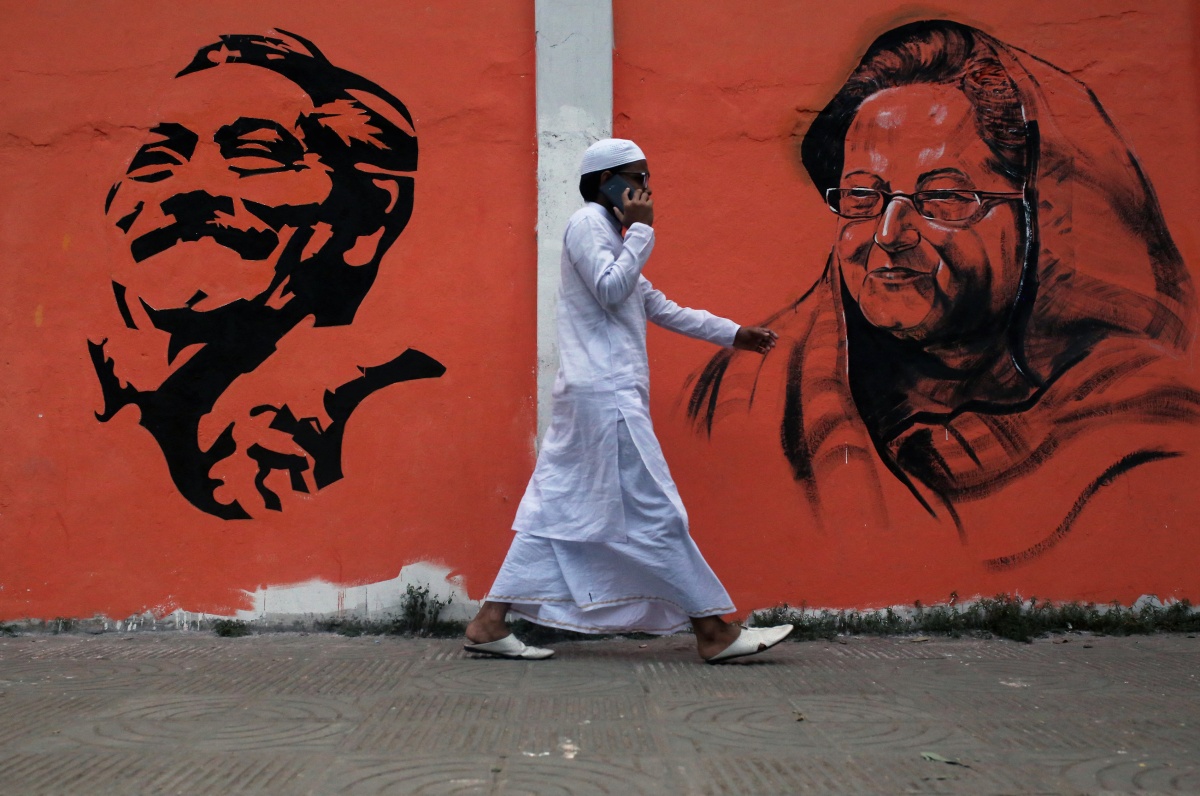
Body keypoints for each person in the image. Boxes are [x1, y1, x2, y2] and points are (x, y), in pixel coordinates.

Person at [688, 20, 1200, 569]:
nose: (889, 234)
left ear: (1039, 218)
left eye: (944, 197)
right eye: (862, 196)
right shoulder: (750, 395)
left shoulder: (1141, 427)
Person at [89, 31, 444, 519]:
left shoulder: (387, 412)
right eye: (157, 161)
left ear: (370, 215)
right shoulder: (107, 407)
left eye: (254, 154)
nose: (190, 188)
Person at [465, 139, 793, 662]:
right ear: (606, 180)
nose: (646, 188)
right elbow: (610, 288)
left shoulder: (609, 234)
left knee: (557, 511)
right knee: (658, 513)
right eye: (637, 177)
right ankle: (713, 633)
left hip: (598, 397)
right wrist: (642, 231)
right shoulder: (588, 224)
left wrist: (734, 334)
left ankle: (489, 622)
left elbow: (658, 305)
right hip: (606, 398)